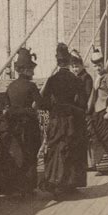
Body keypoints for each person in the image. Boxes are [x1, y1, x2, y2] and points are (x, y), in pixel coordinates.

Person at [0, 48, 43, 196]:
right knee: (29, 153)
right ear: (25, 70)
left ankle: (13, 187)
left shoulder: (11, 86)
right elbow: (41, 103)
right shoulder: (31, 86)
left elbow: (7, 104)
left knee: (14, 154)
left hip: (12, 124)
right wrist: (33, 108)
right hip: (28, 124)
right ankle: (27, 187)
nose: (33, 72)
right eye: (31, 69)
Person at [41, 43, 88, 197]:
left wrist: (54, 107)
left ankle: (55, 183)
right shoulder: (76, 81)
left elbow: (43, 103)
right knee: (71, 149)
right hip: (71, 119)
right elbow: (82, 103)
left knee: (55, 149)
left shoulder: (51, 80)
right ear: (68, 62)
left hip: (56, 120)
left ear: (57, 62)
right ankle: (70, 184)